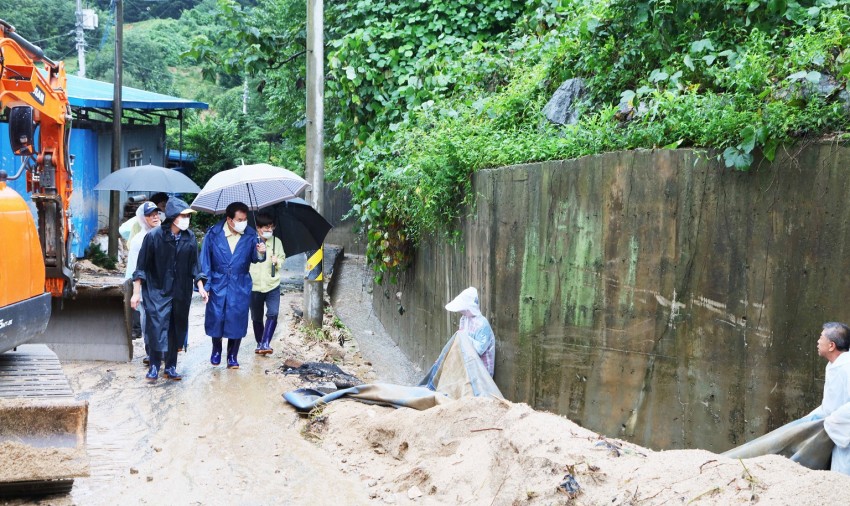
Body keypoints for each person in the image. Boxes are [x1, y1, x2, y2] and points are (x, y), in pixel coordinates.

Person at [131, 198, 208, 382]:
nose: (186, 219)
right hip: (157, 290)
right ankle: (155, 366)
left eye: (188, 216)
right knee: (157, 327)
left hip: (180, 292)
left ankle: (171, 366)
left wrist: (201, 287)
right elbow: (141, 267)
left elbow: (195, 266)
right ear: (173, 217)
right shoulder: (154, 237)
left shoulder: (189, 237)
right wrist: (136, 292)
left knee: (176, 327)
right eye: (183, 215)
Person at [199, 201, 266, 369]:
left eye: (245, 219)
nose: (243, 222)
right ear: (229, 220)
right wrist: (205, 287)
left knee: (237, 318)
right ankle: (216, 349)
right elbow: (205, 262)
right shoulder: (213, 234)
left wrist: (260, 251)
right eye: (240, 219)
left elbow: (256, 258)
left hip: (240, 281)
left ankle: (232, 355)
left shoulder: (251, 235)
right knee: (217, 317)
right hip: (218, 280)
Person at [808, 322, 850, 473]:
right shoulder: (833, 365)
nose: (818, 341)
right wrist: (810, 419)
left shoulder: (847, 367)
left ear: (831, 345)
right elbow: (831, 404)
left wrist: (833, 420)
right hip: (839, 435)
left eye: (821, 337)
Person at [124, 202, 161, 365]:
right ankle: (151, 351)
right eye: (150, 214)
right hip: (147, 286)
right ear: (142, 218)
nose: (155, 217)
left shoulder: (166, 235)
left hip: (163, 286)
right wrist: (135, 291)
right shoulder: (139, 240)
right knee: (148, 319)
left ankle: (164, 350)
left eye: (156, 213)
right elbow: (134, 267)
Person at [249, 213, 285, 355]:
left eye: (271, 226)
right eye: (266, 227)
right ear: (258, 228)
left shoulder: (277, 243)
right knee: (256, 317)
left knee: (273, 313)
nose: (269, 229)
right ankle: (260, 343)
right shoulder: (251, 242)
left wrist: (277, 262)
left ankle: (266, 343)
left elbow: (282, 258)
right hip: (254, 286)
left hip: (273, 285)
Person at [445, 287, 495, 376]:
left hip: (483, 372)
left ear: (469, 308)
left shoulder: (482, 324)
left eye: (463, 309)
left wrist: (464, 337)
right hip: (469, 366)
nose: (461, 311)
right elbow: (460, 342)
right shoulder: (464, 319)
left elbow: (479, 350)